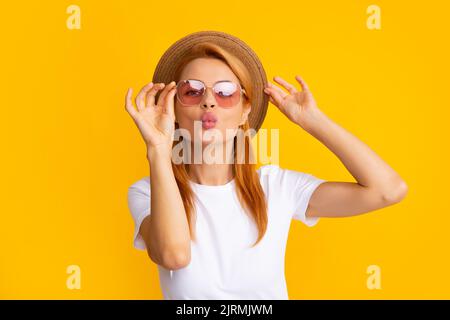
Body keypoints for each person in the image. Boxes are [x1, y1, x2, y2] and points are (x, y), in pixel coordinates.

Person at [125, 31, 408, 300]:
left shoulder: (277, 187)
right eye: (193, 91)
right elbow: (174, 255)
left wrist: (313, 121)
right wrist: (159, 149)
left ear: (245, 109)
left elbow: (388, 190)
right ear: (173, 109)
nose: (209, 101)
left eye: (225, 92)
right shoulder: (148, 192)